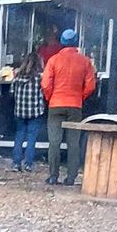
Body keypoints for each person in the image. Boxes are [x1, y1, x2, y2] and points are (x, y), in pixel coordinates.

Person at [41, 27, 97, 187]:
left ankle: (53, 176)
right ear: (76, 42)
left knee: (54, 142)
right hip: (75, 106)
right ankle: (71, 178)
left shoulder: (53, 60)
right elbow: (91, 86)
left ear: (62, 42)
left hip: (56, 105)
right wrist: (79, 97)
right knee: (73, 143)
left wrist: (51, 98)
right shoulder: (85, 61)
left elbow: (45, 84)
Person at [9, 49, 45, 172]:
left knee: (19, 136)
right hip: (35, 112)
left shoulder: (17, 77)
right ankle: (28, 164)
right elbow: (44, 91)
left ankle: (16, 163)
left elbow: (11, 92)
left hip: (19, 112)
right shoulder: (39, 78)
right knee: (31, 137)